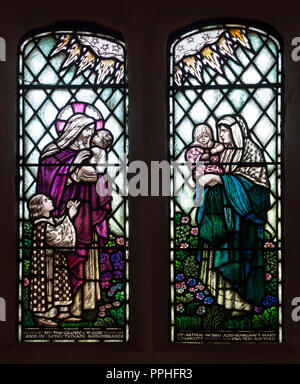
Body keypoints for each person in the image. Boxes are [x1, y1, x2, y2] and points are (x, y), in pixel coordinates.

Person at [37, 113, 112, 317]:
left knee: (88, 254)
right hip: (65, 213)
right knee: (65, 260)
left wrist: (94, 174)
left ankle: (85, 306)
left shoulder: (93, 153)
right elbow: (47, 177)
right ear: (75, 130)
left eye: (92, 129)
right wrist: (71, 171)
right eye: (87, 129)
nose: (91, 133)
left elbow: (100, 179)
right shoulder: (54, 154)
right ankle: (60, 307)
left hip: (87, 212)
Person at [196, 115, 270, 315]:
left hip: (244, 225)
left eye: (224, 129)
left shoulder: (251, 151)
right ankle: (223, 301)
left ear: (236, 130)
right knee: (220, 255)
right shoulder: (224, 153)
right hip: (223, 218)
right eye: (219, 129)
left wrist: (221, 180)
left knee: (242, 261)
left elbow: (259, 191)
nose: (220, 134)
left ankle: (245, 303)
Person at [28, 194, 80, 326]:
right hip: (46, 264)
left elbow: (59, 224)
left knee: (60, 282)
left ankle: (63, 312)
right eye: (46, 200)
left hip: (57, 261)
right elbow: (56, 236)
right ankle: (42, 316)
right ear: (39, 207)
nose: (50, 200)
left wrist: (69, 214)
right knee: (47, 286)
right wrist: (69, 217)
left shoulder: (50, 221)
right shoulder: (40, 224)